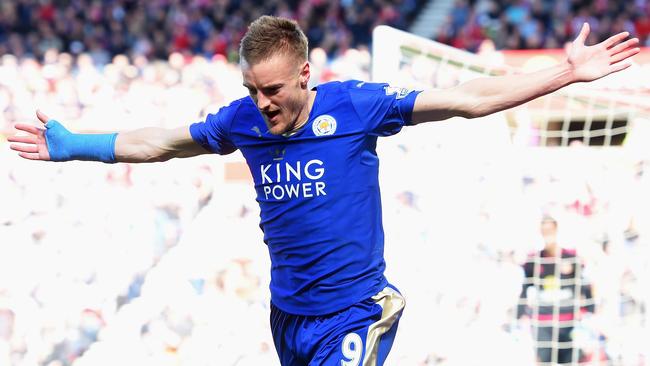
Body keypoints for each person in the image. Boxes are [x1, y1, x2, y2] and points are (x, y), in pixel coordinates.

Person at [7, 15, 639, 366]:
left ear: (305, 74)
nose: (263, 102)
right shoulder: (242, 120)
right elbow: (163, 143)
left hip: (354, 312)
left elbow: (469, 100)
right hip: (289, 315)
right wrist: (75, 145)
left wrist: (566, 73)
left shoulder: (358, 106)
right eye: (253, 88)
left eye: (274, 89)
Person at [517, 216, 595, 364]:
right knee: (545, 360)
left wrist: (588, 309)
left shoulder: (570, 258)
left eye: (550, 230)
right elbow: (525, 287)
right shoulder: (535, 260)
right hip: (543, 321)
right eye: (544, 230)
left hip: (568, 320)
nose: (547, 234)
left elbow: (584, 283)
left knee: (572, 360)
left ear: (556, 230)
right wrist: (521, 313)